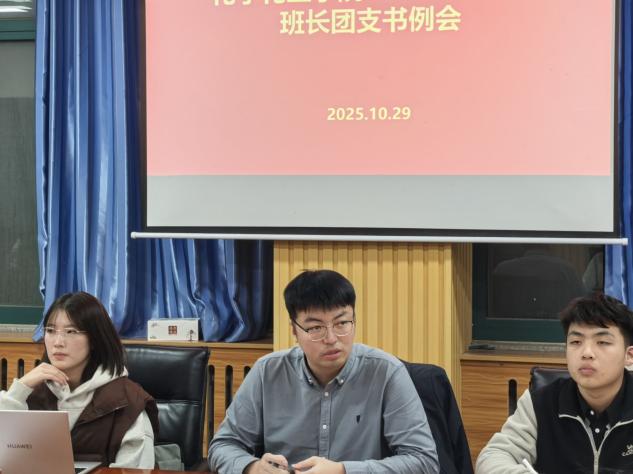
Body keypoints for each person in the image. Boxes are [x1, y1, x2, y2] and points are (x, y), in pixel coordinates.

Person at [209, 269, 439, 474]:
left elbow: (424, 461)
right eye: (316, 328)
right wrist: (252, 468)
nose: (331, 339)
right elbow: (223, 446)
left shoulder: (386, 372)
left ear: (354, 321)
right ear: (294, 330)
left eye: (342, 323)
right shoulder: (267, 372)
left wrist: (343, 471)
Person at [476, 292, 633, 474]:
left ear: (629, 356)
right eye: (576, 341)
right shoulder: (540, 403)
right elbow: (492, 457)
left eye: (603, 342)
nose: (587, 353)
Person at [0, 292, 159, 468]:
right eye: (50, 330)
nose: (58, 342)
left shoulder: (128, 401)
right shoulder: (32, 392)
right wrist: (19, 389)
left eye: (71, 331)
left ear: (95, 339)